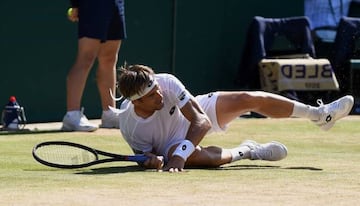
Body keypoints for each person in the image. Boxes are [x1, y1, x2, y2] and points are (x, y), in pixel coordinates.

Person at [114, 64, 354, 172]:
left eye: (156, 87)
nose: (159, 94)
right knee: (201, 159)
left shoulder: (166, 82)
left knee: (247, 97)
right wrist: (152, 161)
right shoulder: (131, 127)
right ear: (136, 102)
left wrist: (179, 156)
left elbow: (201, 121)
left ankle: (319, 115)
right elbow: (145, 156)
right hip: (168, 143)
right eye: (151, 94)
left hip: (191, 114)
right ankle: (249, 151)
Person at [61, 0, 126, 132]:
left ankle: (109, 113)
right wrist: (75, 4)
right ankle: (72, 115)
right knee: (86, 58)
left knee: (109, 59)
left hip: (115, 3)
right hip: (92, 4)